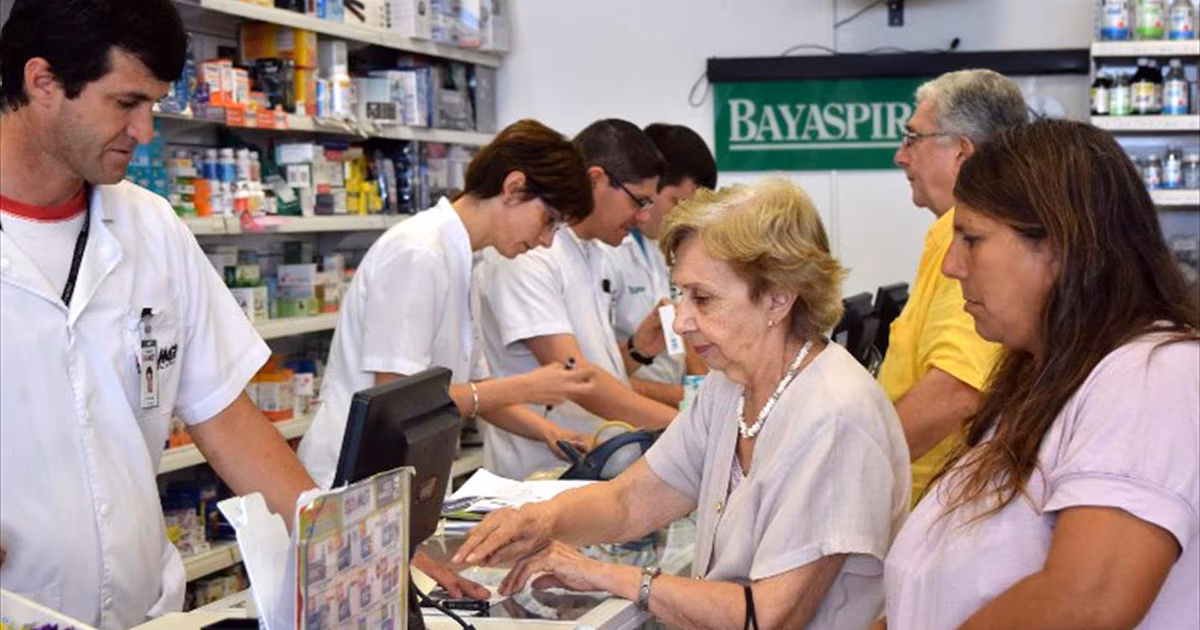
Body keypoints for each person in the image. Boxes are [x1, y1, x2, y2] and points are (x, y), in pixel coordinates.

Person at [456, 179, 910, 630]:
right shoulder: (729, 386)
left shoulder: (834, 416)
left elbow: (770, 616)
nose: (682, 320)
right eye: (681, 294)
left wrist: (605, 574)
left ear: (778, 297)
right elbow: (630, 501)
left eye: (703, 298)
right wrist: (542, 519)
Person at [0, 2, 315, 627]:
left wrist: (347, 542)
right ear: (43, 83)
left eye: (154, 104)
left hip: (145, 612)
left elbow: (227, 417)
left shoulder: (150, 226)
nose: (145, 130)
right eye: (126, 103)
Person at [878, 119, 1200, 629]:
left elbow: (1085, 601)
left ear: (1059, 246)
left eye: (972, 239)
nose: (953, 267)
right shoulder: (1040, 377)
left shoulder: (1153, 375)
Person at [298, 118, 597, 491]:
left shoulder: (463, 259)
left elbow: (474, 388)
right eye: (548, 221)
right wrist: (525, 387)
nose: (547, 241)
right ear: (513, 187)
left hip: (397, 479)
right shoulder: (419, 252)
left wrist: (548, 431)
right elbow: (397, 404)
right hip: (347, 483)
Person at [474, 118, 679, 480]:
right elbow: (576, 378)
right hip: (539, 475)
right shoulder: (528, 253)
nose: (645, 216)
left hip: (595, 464)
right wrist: (687, 428)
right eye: (639, 201)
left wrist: (636, 351)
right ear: (597, 179)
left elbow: (588, 366)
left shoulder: (591, 251)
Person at [885, 69, 1026, 500]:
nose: (900, 156)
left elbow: (955, 393)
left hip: (933, 507)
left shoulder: (974, 244)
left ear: (962, 152)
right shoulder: (948, 236)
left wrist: (841, 473)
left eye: (913, 139)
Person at [606, 123, 716, 406]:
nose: (681, 218)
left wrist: (701, 388)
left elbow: (677, 334)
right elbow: (594, 375)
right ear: (652, 187)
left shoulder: (656, 248)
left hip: (662, 411)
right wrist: (685, 399)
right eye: (676, 202)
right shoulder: (606, 251)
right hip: (621, 416)